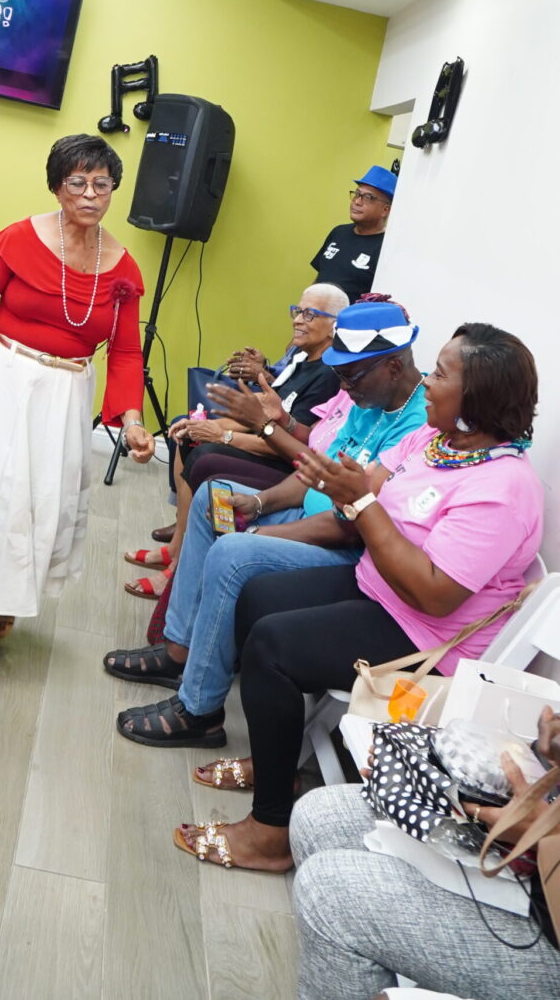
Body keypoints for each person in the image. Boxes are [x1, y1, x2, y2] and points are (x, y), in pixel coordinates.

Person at [170, 321, 543, 874]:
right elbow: (364, 489)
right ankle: (279, 763)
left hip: (425, 636)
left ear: (477, 397)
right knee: (257, 594)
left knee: (272, 646)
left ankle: (270, 831)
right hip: (379, 588)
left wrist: (360, 502)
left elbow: (434, 594)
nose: (427, 382)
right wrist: (326, 478)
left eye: (441, 375)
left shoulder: (504, 489)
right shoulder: (434, 442)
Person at [107, 299, 428, 748]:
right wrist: (257, 503)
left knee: (233, 552)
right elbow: (313, 472)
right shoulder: (370, 396)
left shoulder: (417, 426)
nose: (343, 386)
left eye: (351, 375)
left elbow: (349, 526)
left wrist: (260, 532)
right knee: (213, 497)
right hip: (308, 516)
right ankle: (178, 648)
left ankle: (199, 711)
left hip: (342, 549)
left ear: (393, 366)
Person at [0, 133, 154, 680]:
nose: (90, 195)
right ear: (57, 187)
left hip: (66, 392)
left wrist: (133, 422)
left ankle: (8, 593)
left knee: (43, 498)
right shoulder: (20, 239)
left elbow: (126, 351)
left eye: (102, 184)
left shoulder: (123, 268)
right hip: (4, 374)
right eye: (78, 183)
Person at [291, 704, 560, 999]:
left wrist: (544, 831)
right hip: (529, 856)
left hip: (550, 924)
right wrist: (424, 762)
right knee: (318, 816)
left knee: (326, 896)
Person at [124, 285, 348, 599]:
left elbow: (288, 439)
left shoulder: (328, 376)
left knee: (204, 455)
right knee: (187, 433)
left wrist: (222, 435)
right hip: (265, 438)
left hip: (285, 462)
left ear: (335, 325)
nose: (298, 320)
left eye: (310, 314)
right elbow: (261, 411)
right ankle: (177, 547)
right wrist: (207, 424)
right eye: (297, 311)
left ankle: (177, 568)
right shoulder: (300, 356)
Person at [310, 165, 396, 301]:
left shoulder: (386, 248)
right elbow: (319, 278)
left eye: (368, 197)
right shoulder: (339, 232)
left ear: (385, 210)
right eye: (357, 194)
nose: (357, 201)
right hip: (316, 313)